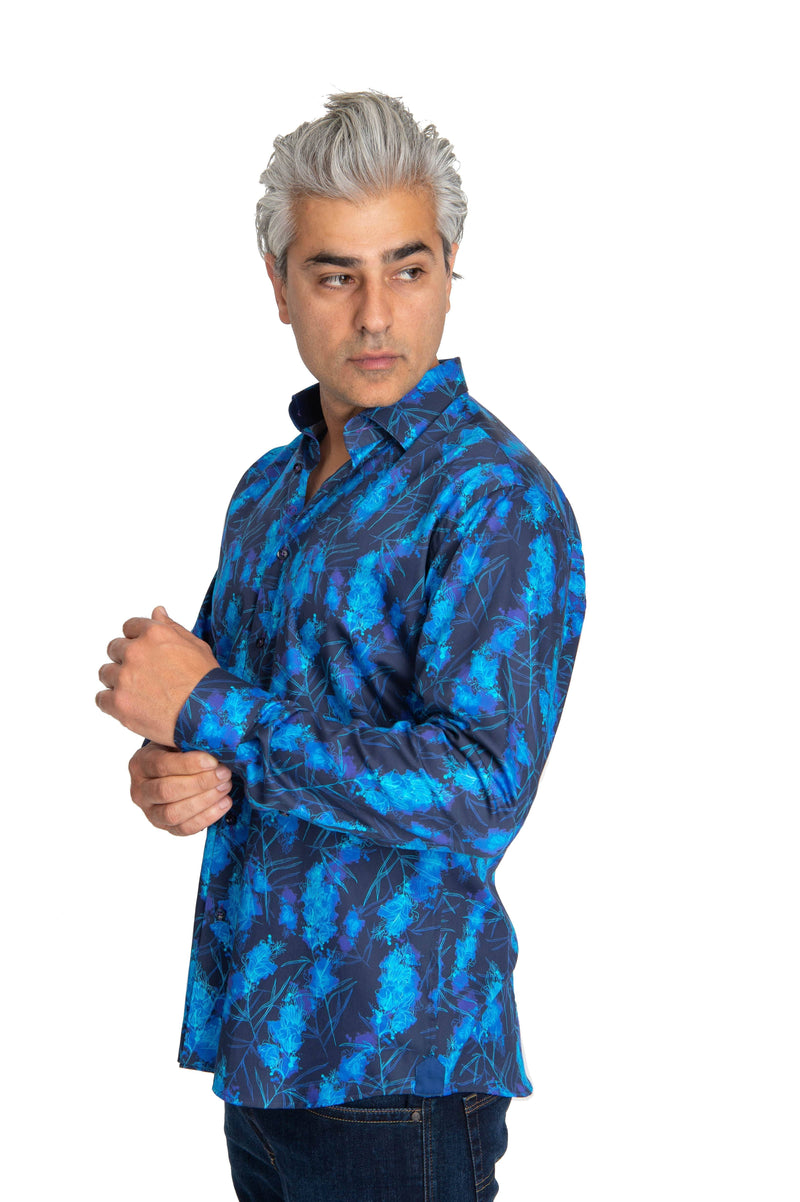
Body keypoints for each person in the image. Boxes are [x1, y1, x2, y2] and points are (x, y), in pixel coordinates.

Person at [97, 91, 585, 1202]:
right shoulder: (267, 490)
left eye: (407, 269)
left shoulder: (494, 501)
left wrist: (211, 709)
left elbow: (480, 787)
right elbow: (221, 727)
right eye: (334, 276)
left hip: (399, 1070)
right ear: (277, 285)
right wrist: (173, 773)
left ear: (449, 271)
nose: (375, 315)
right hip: (260, 1051)